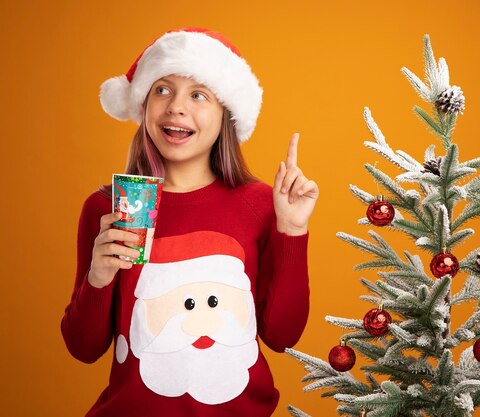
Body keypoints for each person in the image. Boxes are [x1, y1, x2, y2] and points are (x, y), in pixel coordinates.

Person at [61, 27, 318, 416]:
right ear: (144, 105)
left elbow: (282, 336)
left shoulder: (262, 205)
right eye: (162, 90)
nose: (176, 107)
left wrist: (293, 231)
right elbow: (83, 348)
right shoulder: (107, 207)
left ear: (225, 115)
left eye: (198, 94)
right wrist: (98, 278)